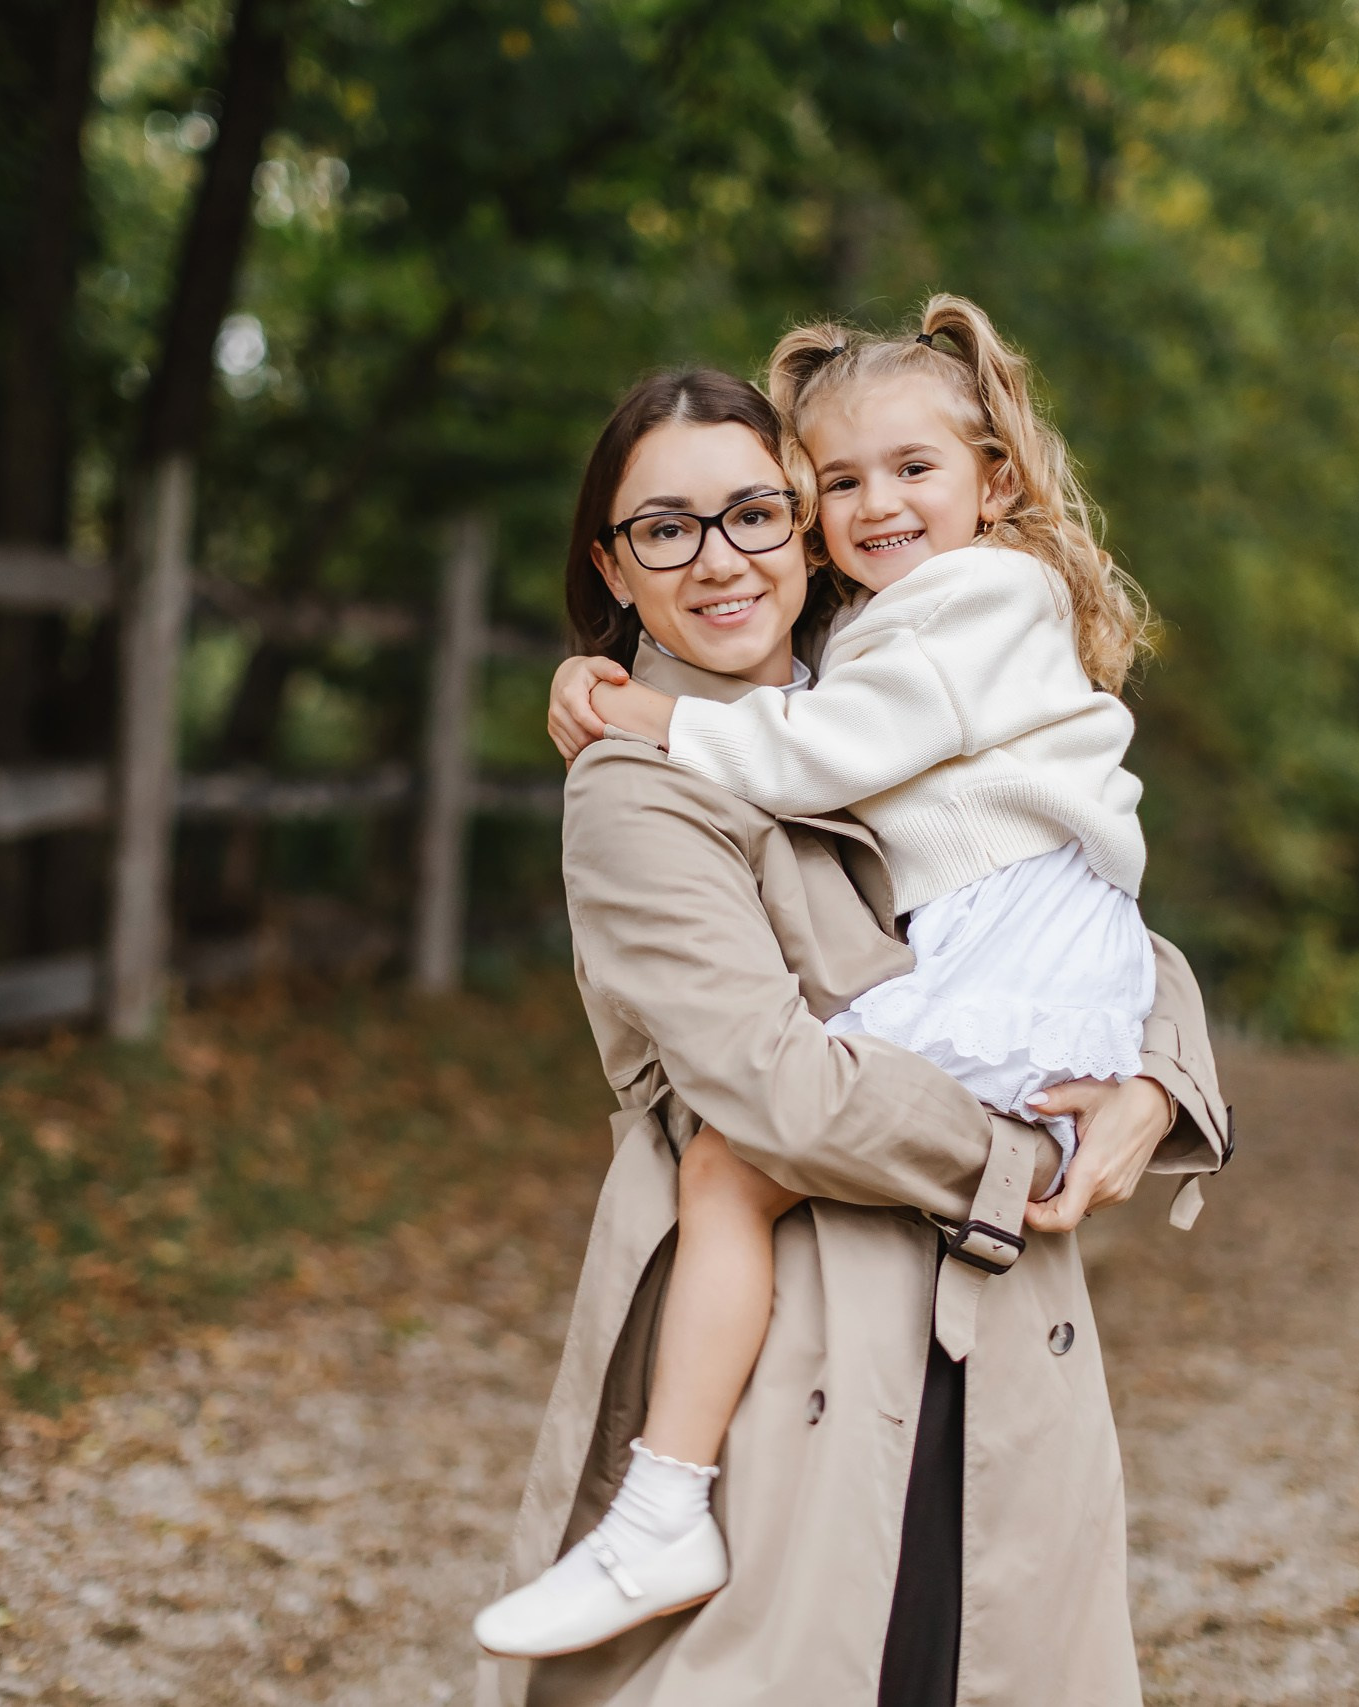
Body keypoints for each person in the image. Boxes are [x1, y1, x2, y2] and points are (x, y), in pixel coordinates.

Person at [474, 363, 1229, 1706]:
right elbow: (786, 1095)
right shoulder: (641, 785)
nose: (719, 559)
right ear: (616, 563)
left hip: (994, 1324)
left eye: (754, 513)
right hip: (797, 1346)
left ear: (799, 531)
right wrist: (1026, 1158)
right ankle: (661, 1514)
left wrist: (1159, 1086)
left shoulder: (889, 688)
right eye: (666, 528)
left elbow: (1085, 909)